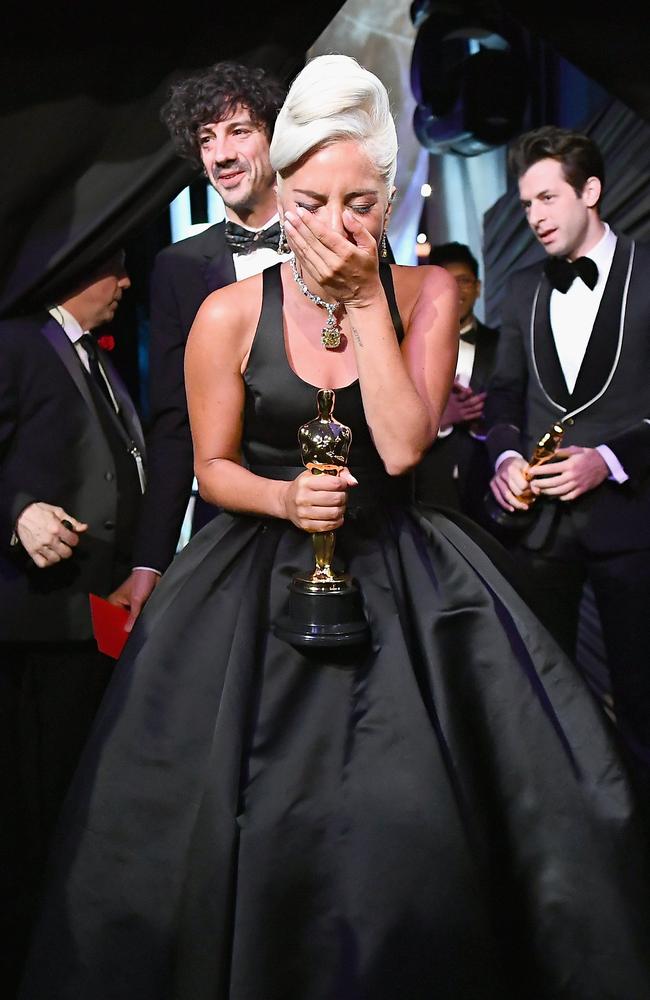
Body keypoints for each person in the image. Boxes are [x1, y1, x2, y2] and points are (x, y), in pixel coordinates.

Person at [19, 60, 650, 1000]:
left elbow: (400, 445)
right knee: (234, 812)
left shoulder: (428, 294)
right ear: (283, 194)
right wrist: (281, 500)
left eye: (360, 201)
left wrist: (362, 301)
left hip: (402, 566)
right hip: (253, 576)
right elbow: (213, 463)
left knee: (412, 815)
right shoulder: (227, 311)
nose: (335, 223)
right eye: (311, 199)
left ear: (388, 199)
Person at [485, 125, 650, 789]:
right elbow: (502, 398)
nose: (536, 217)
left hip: (630, 525)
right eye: (526, 205)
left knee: (641, 702)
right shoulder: (522, 289)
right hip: (540, 530)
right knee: (541, 699)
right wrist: (502, 461)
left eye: (548, 199)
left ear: (591, 191)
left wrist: (608, 459)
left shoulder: (648, 274)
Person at [0, 250, 145, 994]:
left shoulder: (96, 360)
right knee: (36, 810)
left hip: (89, 620)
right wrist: (16, 511)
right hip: (35, 620)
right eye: (113, 269)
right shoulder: (21, 341)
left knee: (74, 803)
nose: (126, 283)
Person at [110, 62, 290, 629]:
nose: (221, 154)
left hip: (339, 507)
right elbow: (173, 423)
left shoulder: (333, 241)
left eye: (238, 130)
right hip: (229, 521)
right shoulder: (178, 269)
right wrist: (151, 559)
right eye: (207, 139)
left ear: (274, 136)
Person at [414, 241, 499, 531]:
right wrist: (441, 418)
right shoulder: (408, 347)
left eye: (463, 281)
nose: (457, 290)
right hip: (423, 492)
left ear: (478, 287)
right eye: (447, 281)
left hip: (487, 491)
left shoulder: (502, 346)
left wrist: (482, 422)